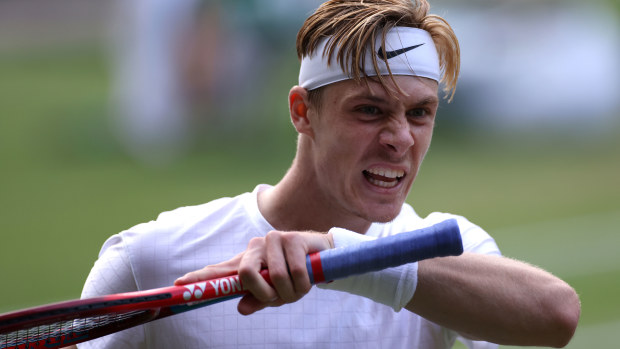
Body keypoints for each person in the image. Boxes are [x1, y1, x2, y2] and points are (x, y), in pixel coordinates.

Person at [76, 0, 581, 348]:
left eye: (419, 113)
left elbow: (557, 315)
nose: (400, 138)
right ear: (302, 111)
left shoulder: (444, 251)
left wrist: (342, 259)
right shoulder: (152, 259)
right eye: (369, 110)